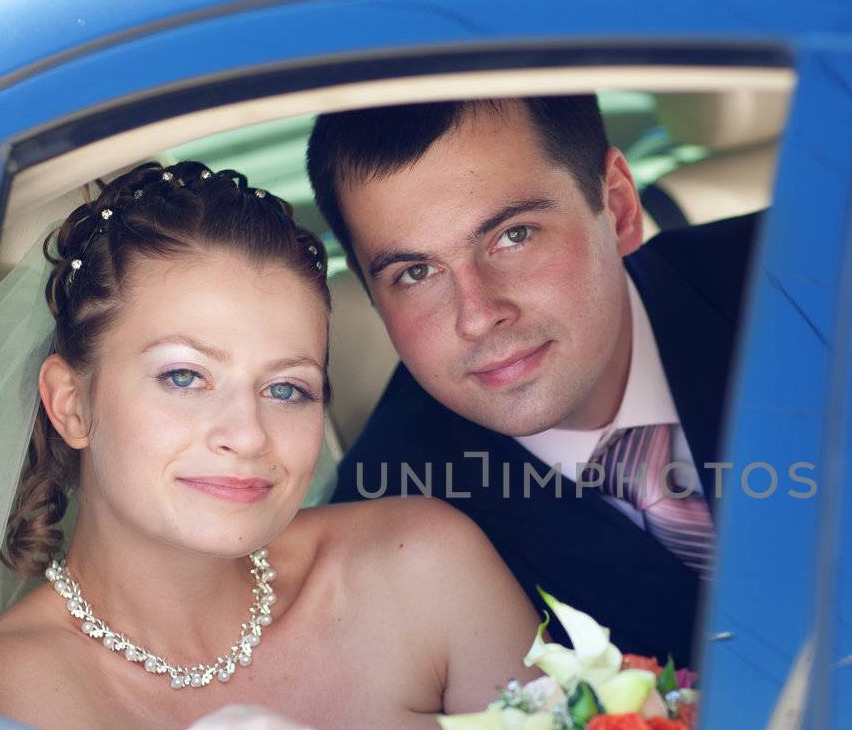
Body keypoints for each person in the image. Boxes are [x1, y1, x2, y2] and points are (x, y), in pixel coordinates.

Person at [0, 161, 537, 730]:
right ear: (72, 405)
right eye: (185, 376)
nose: (246, 434)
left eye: (287, 388)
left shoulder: (424, 564)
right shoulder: (19, 687)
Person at [307, 96, 758, 668]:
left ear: (619, 208)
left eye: (514, 236)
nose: (475, 316)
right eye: (415, 273)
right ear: (373, 298)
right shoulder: (381, 537)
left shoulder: (833, 285)